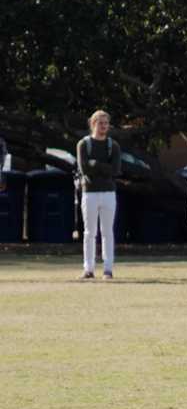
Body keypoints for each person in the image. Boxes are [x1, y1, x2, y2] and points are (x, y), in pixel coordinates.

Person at [76, 109, 121, 282]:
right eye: (100, 123)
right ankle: (88, 268)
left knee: (107, 231)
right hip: (90, 192)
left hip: (109, 192)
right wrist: (102, 167)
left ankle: (108, 269)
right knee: (89, 232)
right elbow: (84, 168)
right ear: (93, 124)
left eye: (106, 123)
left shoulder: (113, 146)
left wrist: (96, 165)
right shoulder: (83, 144)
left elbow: (115, 170)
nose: (103, 126)